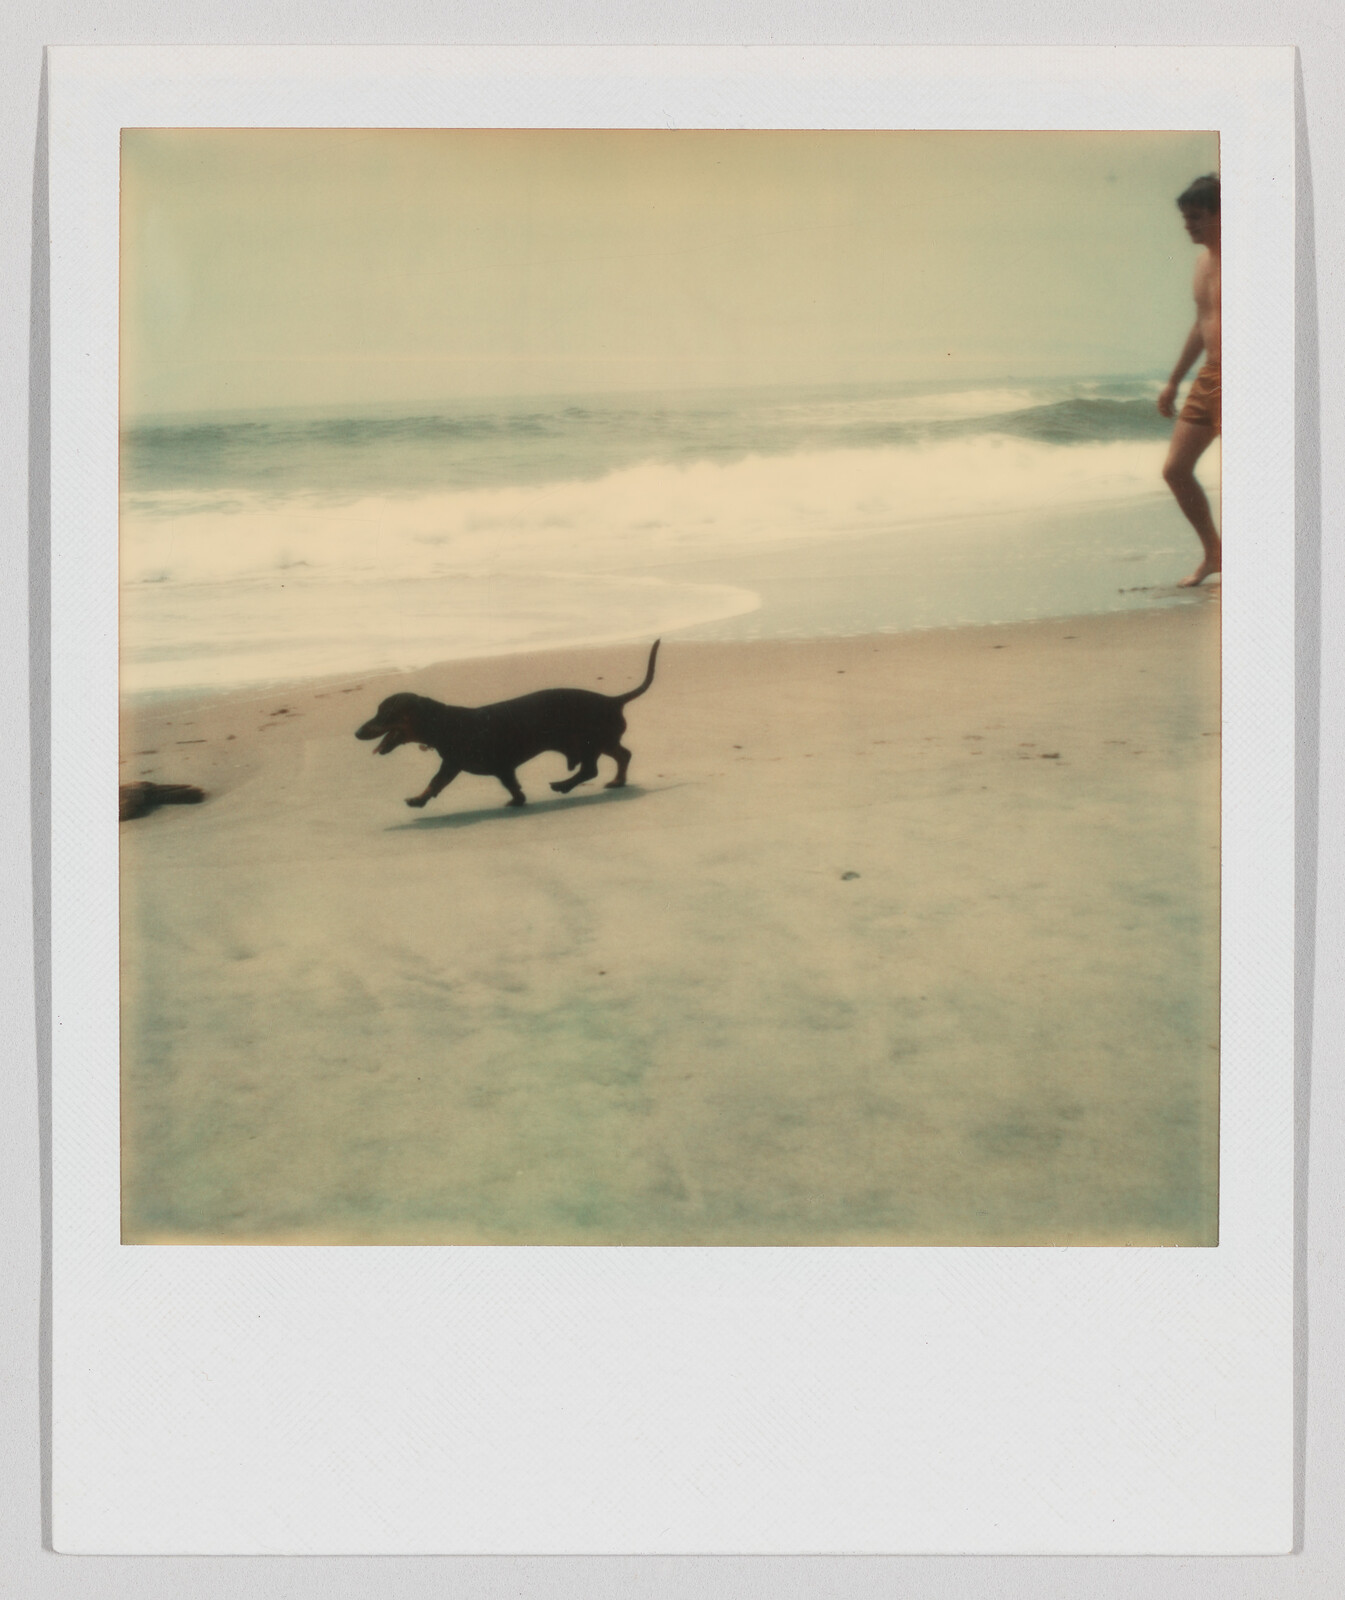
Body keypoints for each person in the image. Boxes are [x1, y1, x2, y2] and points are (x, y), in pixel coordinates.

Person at [1157, 173, 1222, 587]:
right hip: (1210, 377)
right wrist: (1174, 381)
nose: (1188, 226)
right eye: (1185, 218)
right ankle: (1215, 553)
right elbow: (1202, 326)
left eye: (1196, 217)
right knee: (1176, 469)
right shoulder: (1201, 264)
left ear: (1221, 214)